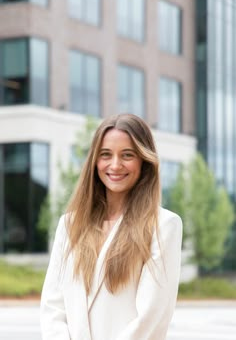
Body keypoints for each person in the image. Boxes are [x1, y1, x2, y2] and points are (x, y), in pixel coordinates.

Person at [40, 113, 183, 340]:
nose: (115, 165)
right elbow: (52, 307)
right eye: (106, 154)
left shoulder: (164, 226)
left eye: (127, 155)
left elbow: (151, 318)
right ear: (95, 161)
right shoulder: (69, 225)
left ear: (144, 161)